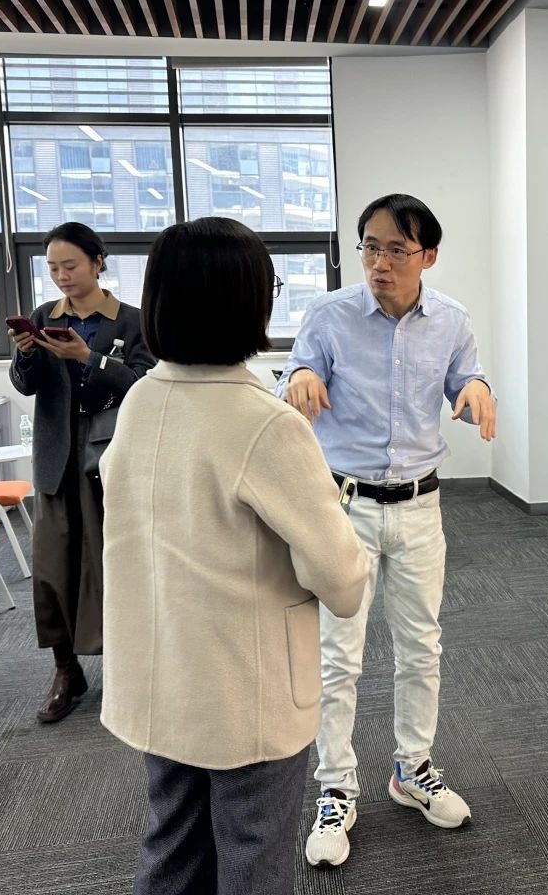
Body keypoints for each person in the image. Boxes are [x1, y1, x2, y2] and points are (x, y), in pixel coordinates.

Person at [99, 217, 370, 895]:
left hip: (163, 678)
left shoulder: (141, 400)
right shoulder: (266, 423)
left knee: (173, 852)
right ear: (245, 302)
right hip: (243, 690)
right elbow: (341, 581)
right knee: (253, 861)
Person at [276, 193, 496, 869]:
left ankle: (413, 769)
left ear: (428, 256)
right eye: (370, 247)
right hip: (344, 506)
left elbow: (465, 378)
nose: (379, 262)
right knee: (339, 656)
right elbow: (298, 371)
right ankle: (336, 789)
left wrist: (478, 389)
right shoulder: (330, 316)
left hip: (421, 506)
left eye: (397, 250)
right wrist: (302, 374)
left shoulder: (451, 320)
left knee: (421, 646)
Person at [8, 222, 154, 724]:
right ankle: (66, 669)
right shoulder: (42, 317)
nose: (61, 276)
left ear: (98, 262)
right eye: (52, 268)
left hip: (110, 456)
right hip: (56, 455)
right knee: (52, 565)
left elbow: (146, 383)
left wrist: (89, 357)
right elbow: (25, 385)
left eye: (70, 265)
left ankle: (128, 666)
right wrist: (27, 354)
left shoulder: (132, 320)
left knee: (114, 562)